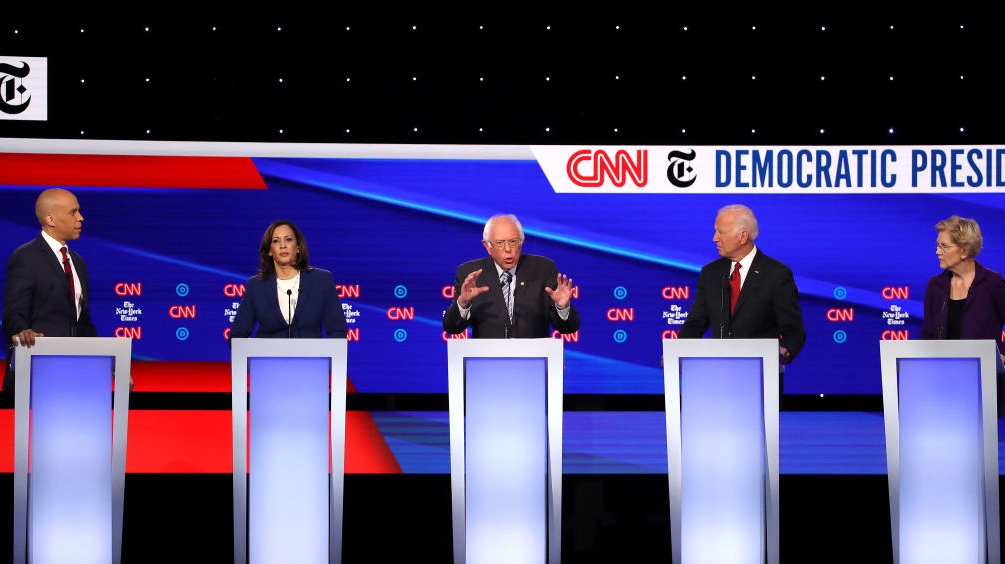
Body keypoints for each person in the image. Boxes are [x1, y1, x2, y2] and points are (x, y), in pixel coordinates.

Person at [678, 204, 806, 370]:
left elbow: (793, 330)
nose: (714, 238)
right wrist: (678, 352)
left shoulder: (777, 274)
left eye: (721, 232)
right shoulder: (710, 273)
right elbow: (695, 323)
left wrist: (784, 350)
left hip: (761, 377)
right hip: (717, 374)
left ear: (743, 237)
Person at [3, 188, 98, 393]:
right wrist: (21, 331)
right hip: (36, 372)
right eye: (73, 212)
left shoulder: (78, 263)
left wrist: (111, 364)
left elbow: (83, 322)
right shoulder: (25, 258)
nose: (81, 218)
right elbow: (13, 312)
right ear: (51, 219)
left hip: (73, 374)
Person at [442, 213, 580, 338]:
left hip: (534, 361)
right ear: (487, 246)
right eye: (500, 243)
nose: (508, 249)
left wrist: (562, 307)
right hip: (487, 362)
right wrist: (463, 303)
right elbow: (452, 328)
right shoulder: (470, 274)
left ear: (521, 242)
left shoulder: (543, 269)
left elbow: (568, 328)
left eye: (513, 242)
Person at [229, 219, 347, 341]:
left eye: (288, 239)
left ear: (298, 247)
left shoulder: (321, 280)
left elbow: (337, 330)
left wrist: (326, 356)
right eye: (276, 241)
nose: (283, 245)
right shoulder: (256, 286)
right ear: (269, 250)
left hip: (311, 358)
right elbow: (236, 336)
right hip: (268, 358)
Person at [920, 215, 1005, 363]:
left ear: (964, 252)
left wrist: (1002, 355)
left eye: (944, 246)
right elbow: (927, 337)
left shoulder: (992, 284)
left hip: (984, 377)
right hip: (942, 376)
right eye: (937, 245)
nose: (937, 252)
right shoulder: (935, 286)